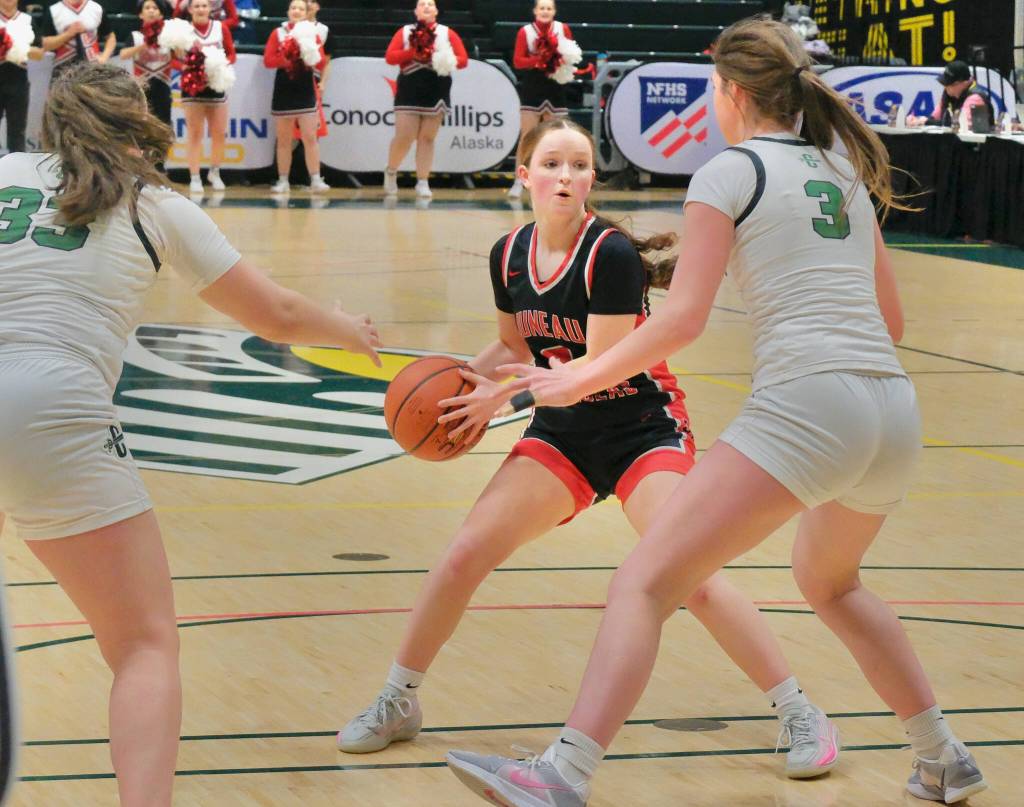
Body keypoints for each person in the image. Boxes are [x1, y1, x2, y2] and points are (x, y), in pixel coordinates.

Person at [446, 19, 988, 807]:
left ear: (732, 94)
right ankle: (942, 754)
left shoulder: (728, 171)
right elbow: (891, 322)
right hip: (893, 410)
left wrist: (574, 378)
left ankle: (562, 773)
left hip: (809, 403)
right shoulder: (838, 168)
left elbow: (682, 320)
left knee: (644, 580)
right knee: (831, 583)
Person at [338, 117, 840, 783]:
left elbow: (592, 371)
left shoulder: (611, 256)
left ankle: (800, 710)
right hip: (564, 433)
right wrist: (466, 381)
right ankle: (399, 698)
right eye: (551, 164)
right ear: (524, 175)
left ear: (592, 179)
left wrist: (500, 400)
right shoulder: (507, 255)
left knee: (689, 574)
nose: (565, 177)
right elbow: (518, 346)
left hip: (640, 427)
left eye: (578, 165)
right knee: (464, 552)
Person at [0, 62, 381, 806]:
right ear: (138, 122)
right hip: (54, 406)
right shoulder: (152, 203)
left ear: (51, 117)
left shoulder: (5, 169)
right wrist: (349, 328)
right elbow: (279, 316)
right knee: (143, 643)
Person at [382, 0, 468, 198]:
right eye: (422, 4)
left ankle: (422, 181)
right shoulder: (405, 32)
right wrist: (413, 52)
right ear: (416, 11)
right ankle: (391, 171)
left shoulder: (447, 33)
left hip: (436, 87)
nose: (427, 7)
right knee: (405, 136)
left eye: (430, 4)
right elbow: (390, 57)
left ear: (436, 10)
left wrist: (441, 57)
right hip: (409, 87)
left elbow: (463, 60)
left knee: (427, 138)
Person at [508, 0, 576, 199]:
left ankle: (556, 181)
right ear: (535, 11)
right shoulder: (525, 32)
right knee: (527, 137)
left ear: (554, 11)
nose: (545, 11)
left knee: (558, 137)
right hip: (532, 87)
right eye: (542, 8)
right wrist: (540, 60)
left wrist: (560, 60)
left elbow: (571, 57)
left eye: (549, 8)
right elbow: (518, 61)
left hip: (556, 87)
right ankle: (518, 182)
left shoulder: (563, 29)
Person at [264, 0, 328, 193]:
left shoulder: (312, 32)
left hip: (305, 89)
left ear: (306, 12)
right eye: (294, 8)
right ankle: (283, 180)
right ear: (288, 12)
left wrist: (306, 56)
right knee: (284, 140)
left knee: (310, 137)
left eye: (301, 8)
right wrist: (289, 59)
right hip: (284, 88)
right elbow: (268, 60)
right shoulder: (278, 33)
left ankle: (315, 179)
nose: (297, 11)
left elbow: (321, 61)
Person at [176, 0, 236, 194]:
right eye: (197, 6)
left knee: (219, 132)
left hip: (216, 84)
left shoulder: (220, 28)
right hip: (192, 87)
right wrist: (185, 68)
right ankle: (194, 176)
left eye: (204, 5)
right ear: (190, 9)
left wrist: (220, 66)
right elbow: (173, 58)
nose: (201, 9)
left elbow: (231, 54)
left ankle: (215, 172)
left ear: (210, 9)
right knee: (195, 133)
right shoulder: (183, 31)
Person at [119, 0, 174, 129]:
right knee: (143, 125)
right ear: (141, 14)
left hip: (163, 85)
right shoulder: (135, 35)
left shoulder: (168, 36)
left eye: (155, 8)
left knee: (164, 126)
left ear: (161, 14)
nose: (151, 10)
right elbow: (123, 54)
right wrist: (143, 46)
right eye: (147, 8)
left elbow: (180, 56)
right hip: (143, 86)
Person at [0, 0, 44, 155]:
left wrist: (14, 49)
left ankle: (15, 174)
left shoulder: (27, 19)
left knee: (17, 132)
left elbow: (39, 54)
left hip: (18, 83)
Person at [40, 0, 116, 79]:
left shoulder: (97, 8)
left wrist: (104, 57)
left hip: (93, 67)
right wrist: (68, 34)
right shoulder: (54, 10)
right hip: (62, 68)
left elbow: (110, 37)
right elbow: (45, 45)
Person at [907, 61, 995, 128]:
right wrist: (917, 121)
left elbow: (960, 124)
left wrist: (926, 122)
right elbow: (935, 117)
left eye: (949, 84)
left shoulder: (975, 98)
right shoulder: (949, 94)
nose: (946, 87)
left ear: (963, 83)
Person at [172, 0, 238, 29]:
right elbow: (175, 18)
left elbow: (234, 19)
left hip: (216, 32)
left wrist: (216, 26)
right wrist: (183, 5)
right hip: (190, 30)